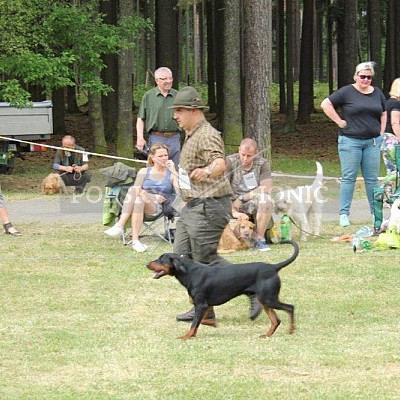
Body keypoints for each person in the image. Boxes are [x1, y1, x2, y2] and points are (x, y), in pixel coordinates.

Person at [170, 86, 261, 323]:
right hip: (192, 206)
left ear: (194, 110)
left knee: (205, 259)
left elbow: (219, 163)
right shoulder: (191, 133)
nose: (175, 116)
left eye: (179, 110)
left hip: (209, 206)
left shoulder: (208, 134)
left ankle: (252, 287)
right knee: (180, 258)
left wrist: (207, 170)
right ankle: (204, 310)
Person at [321, 61, 386, 227]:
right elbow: (325, 104)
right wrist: (339, 121)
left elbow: (384, 113)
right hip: (350, 141)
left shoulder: (377, 92)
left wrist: (381, 132)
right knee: (349, 178)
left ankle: (375, 215)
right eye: (362, 76)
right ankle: (344, 214)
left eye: (369, 77)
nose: (365, 80)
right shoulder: (347, 91)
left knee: (372, 180)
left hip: (372, 142)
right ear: (356, 76)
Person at [104, 143, 179, 252]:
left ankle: (120, 225)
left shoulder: (171, 174)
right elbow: (136, 190)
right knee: (138, 198)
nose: (164, 158)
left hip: (160, 206)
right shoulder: (144, 172)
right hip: (143, 202)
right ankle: (135, 241)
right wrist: (152, 196)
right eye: (160, 156)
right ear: (152, 157)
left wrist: (174, 171)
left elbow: (179, 192)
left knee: (136, 193)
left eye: (166, 155)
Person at [226, 137, 273, 251]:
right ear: (239, 150)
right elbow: (223, 189)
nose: (245, 158)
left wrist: (242, 198)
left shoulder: (262, 164)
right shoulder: (230, 161)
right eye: (243, 154)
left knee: (266, 200)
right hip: (230, 202)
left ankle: (258, 240)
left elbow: (266, 188)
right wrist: (234, 210)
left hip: (250, 201)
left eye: (249, 155)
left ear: (256, 153)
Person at [136, 67, 181, 170]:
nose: (168, 81)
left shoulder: (178, 96)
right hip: (156, 138)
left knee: (175, 170)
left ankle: (174, 186)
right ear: (157, 80)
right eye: (164, 79)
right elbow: (140, 118)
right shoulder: (148, 96)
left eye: (170, 78)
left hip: (175, 138)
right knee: (154, 169)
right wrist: (140, 138)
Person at [381, 78, 400, 197]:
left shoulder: (387, 102)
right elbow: (395, 122)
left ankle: (388, 196)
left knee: (391, 169)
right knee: (396, 170)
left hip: (384, 139)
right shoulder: (397, 104)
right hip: (392, 140)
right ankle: (381, 191)